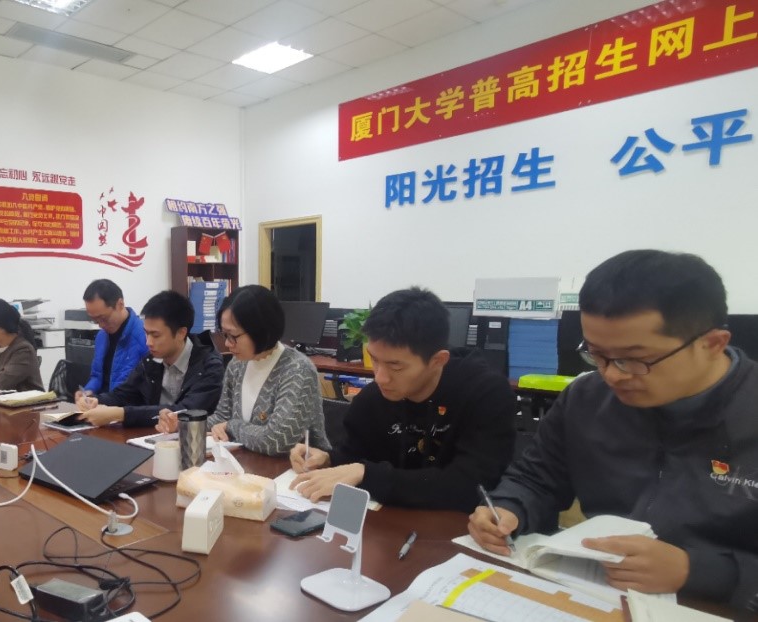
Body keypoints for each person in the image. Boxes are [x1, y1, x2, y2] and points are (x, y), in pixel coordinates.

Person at [467, 250, 758, 609]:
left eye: (633, 359)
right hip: (595, 590)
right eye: (596, 354)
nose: (611, 375)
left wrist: (696, 570)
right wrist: (508, 508)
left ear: (712, 344)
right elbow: (536, 478)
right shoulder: (586, 398)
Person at [288, 287, 517, 510]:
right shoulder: (373, 399)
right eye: (374, 359)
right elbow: (355, 456)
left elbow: (471, 487)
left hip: (454, 528)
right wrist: (329, 459)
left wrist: (368, 474)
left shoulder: (486, 395)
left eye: (395, 366)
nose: (380, 377)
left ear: (438, 361)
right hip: (384, 524)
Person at [159, 285, 326, 457]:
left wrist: (232, 426)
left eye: (233, 336)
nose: (227, 343)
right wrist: (182, 424)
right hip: (246, 462)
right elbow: (222, 418)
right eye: (224, 334)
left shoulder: (297, 370)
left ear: (260, 331)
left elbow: (278, 441)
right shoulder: (238, 364)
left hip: (295, 468)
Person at [77, 290, 224, 427]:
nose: (148, 342)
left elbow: (185, 411)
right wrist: (96, 400)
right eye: (146, 333)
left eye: (155, 335)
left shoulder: (209, 366)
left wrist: (121, 414)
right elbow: (124, 394)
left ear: (181, 333)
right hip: (151, 436)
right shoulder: (150, 360)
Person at [77, 279, 148, 400]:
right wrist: (88, 391)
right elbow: (97, 376)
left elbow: (143, 390)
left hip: (125, 406)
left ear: (120, 304)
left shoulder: (145, 336)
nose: (100, 325)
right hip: (101, 403)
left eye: (103, 318)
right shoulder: (101, 336)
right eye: (95, 320)